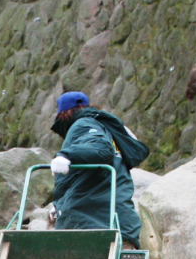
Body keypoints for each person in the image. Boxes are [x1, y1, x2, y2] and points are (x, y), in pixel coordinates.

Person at [48, 92, 149, 250]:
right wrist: (60, 204)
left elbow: (100, 148)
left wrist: (66, 155)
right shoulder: (106, 129)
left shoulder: (83, 124)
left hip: (91, 226)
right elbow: (91, 174)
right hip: (119, 224)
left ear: (63, 113)